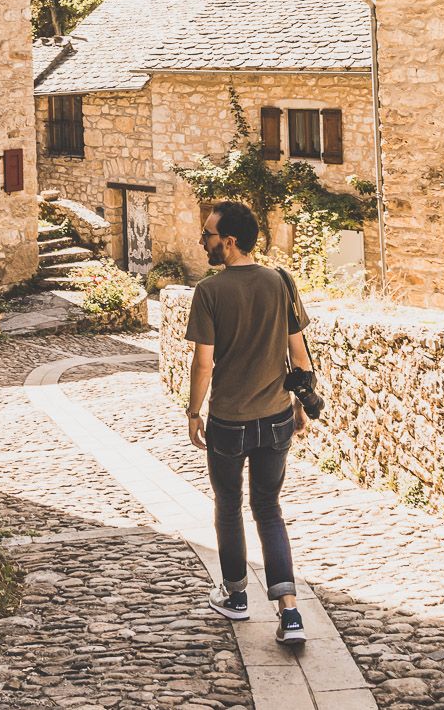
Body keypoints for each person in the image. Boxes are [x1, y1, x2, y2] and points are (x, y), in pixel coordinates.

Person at [184, 199, 312, 646]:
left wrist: (193, 411)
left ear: (230, 241)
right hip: (276, 417)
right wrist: (299, 403)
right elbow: (299, 355)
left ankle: (237, 597)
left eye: (208, 236)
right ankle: (291, 615)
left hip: (229, 421)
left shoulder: (210, 291)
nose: (203, 242)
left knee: (228, 507)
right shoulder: (279, 282)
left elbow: (204, 364)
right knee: (269, 510)